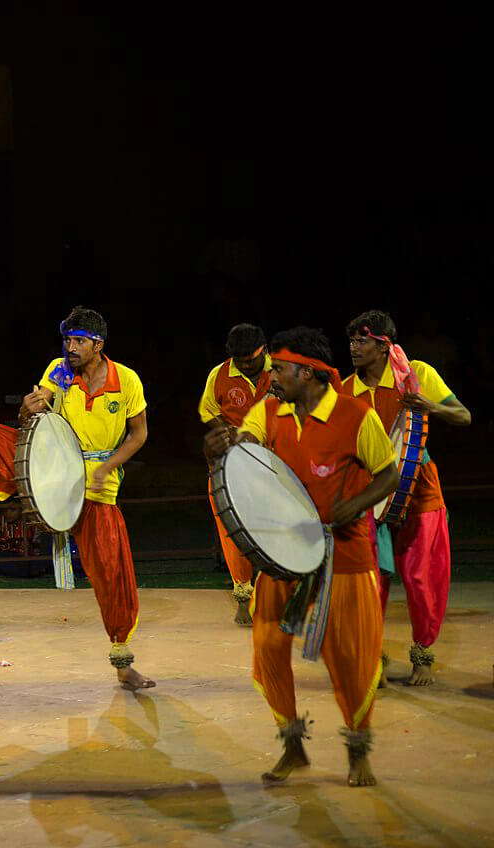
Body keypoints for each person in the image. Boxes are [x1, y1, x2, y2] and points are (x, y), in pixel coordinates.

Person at [204, 326, 398, 787]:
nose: (271, 377)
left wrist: (356, 505)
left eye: (280, 368)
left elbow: (387, 474)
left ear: (308, 372)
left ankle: (357, 748)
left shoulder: (355, 416)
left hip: (344, 555)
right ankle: (292, 746)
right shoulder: (269, 411)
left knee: (350, 657)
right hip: (284, 552)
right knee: (268, 648)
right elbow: (246, 447)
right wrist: (223, 446)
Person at [20, 306, 153, 690]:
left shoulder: (126, 380)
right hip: (56, 476)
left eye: (78, 341)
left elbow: (139, 434)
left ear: (98, 344)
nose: (70, 347)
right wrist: (26, 409)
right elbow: (40, 402)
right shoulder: (59, 370)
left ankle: (123, 660)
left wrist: (108, 466)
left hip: (99, 487)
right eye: (67, 339)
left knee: (113, 572)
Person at [342, 310, 470, 685]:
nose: (353, 348)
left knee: (421, 575)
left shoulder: (417, 375)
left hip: (419, 483)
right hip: (372, 489)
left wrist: (430, 406)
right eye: (351, 341)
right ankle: (373, 656)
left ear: (384, 347)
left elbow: (463, 416)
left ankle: (422, 656)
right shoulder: (346, 389)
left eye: (362, 341)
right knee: (372, 578)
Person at [198, 323, 273, 625]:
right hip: (233, 462)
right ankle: (243, 596)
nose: (243, 364)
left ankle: (277, 595)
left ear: (264, 350)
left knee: (274, 529)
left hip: (274, 460)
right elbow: (207, 411)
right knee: (233, 532)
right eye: (238, 359)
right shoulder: (220, 374)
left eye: (250, 359)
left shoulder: (280, 370)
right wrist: (228, 432)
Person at [0, 504, 47, 578]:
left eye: (13, 510)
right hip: (5, 553)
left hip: (23, 555)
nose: (8, 513)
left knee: (36, 563)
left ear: (21, 510)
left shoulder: (31, 521)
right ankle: (15, 571)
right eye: (5, 510)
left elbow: (37, 543)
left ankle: (1, 570)